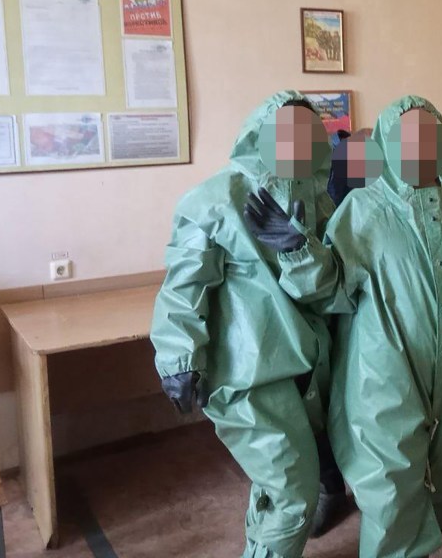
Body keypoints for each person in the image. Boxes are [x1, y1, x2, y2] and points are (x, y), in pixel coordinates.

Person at [245, 95, 442, 558]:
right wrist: (298, 252)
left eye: (430, 137)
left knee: (438, 476)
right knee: (390, 491)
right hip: (384, 377)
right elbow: (330, 289)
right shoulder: (363, 209)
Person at [151, 90, 334, 558]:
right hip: (245, 377)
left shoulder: (319, 203)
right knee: (294, 494)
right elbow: (184, 284)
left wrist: (299, 248)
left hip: (301, 369)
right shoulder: (216, 199)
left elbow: (328, 290)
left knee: (278, 482)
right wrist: (177, 356)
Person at [311, 128, 384, 537]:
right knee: (324, 401)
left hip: (384, 309)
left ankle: (390, 490)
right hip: (333, 294)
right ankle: (330, 487)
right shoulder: (347, 154)